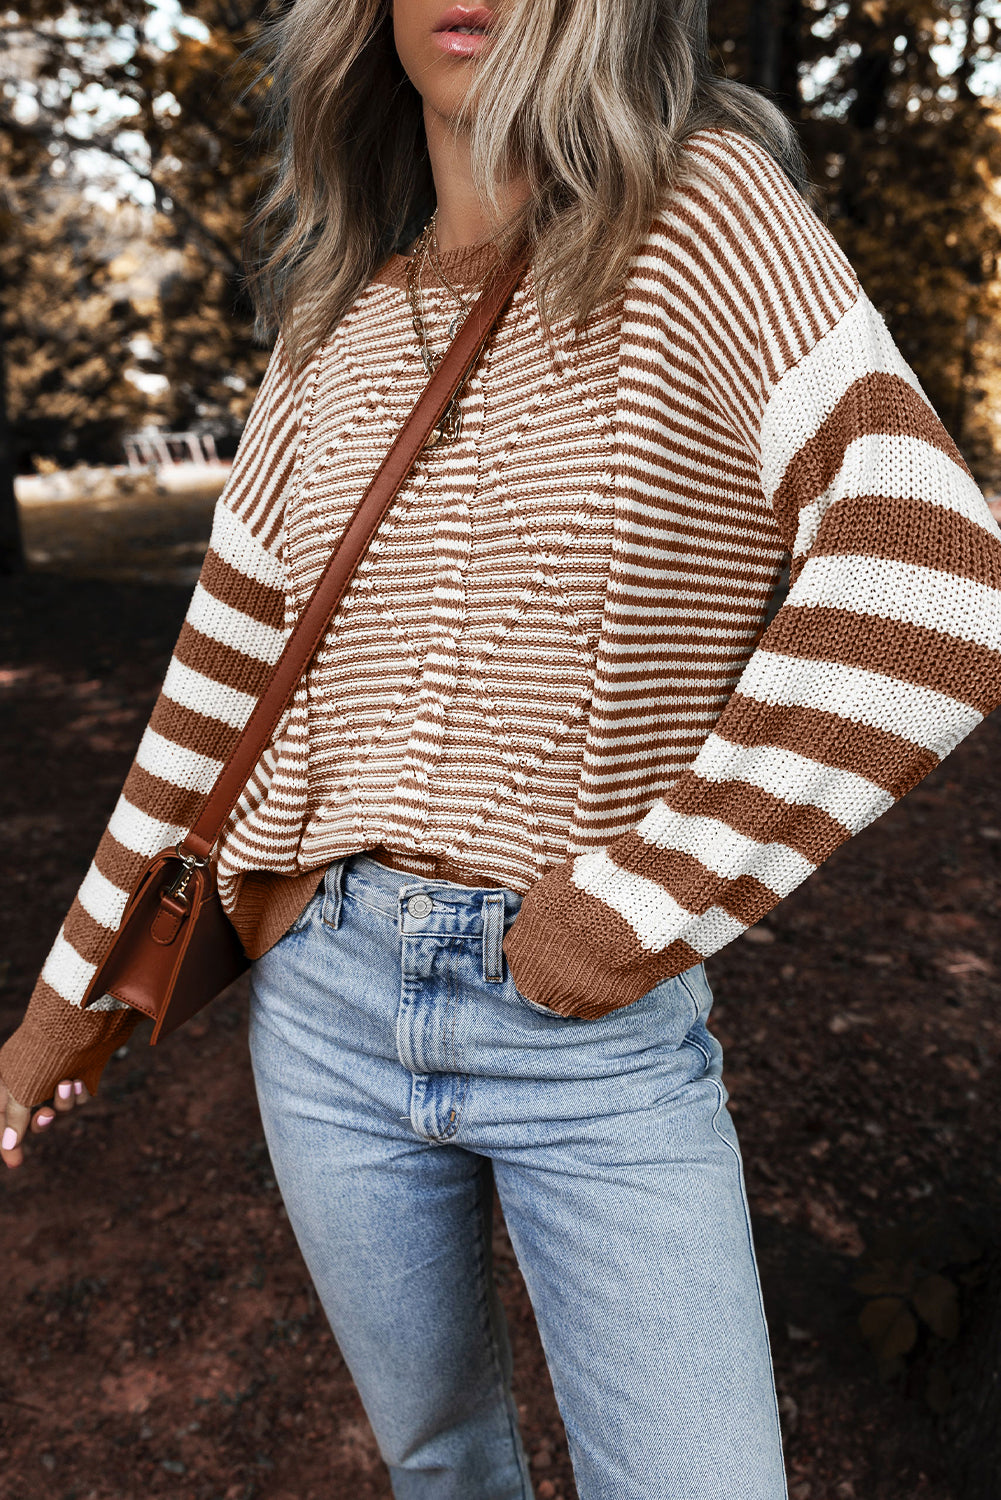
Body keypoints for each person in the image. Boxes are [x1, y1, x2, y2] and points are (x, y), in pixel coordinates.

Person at [4, 0, 1001, 1495]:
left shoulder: (705, 215)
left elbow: (925, 576)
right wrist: (67, 999)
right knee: (438, 1463)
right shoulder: (329, 321)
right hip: (322, 998)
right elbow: (210, 698)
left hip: (590, 1033)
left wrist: (635, 909)